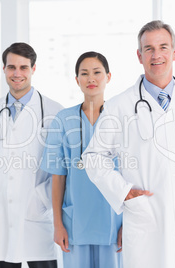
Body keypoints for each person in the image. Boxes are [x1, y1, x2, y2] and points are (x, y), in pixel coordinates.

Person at [82, 20, 175, 268]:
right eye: (148, 48)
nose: (156, 55)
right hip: (145, 217)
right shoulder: (121, 105)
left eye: (163, 46)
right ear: (139, 56)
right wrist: (123, 192)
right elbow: (94, 156)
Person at [0, 42, 63, 268]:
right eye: (11, 67)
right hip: (0, 212)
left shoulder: (55, 113)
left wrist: (42, 199)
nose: (17, 73)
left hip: (37, 215)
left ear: (33, 69)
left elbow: (62, 167)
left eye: (23, 67)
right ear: (3, 69)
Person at [40, 51, 123, 268]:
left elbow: (131, 174)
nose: (91, 79)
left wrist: (128, 224)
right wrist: (58, 224)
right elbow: (58, 177)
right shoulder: (63, 120)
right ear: (77, 80)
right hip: (76, 222)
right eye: (84, 73)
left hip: (113, 221)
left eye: (97, 72)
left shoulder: (121, 118)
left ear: (109, 76)